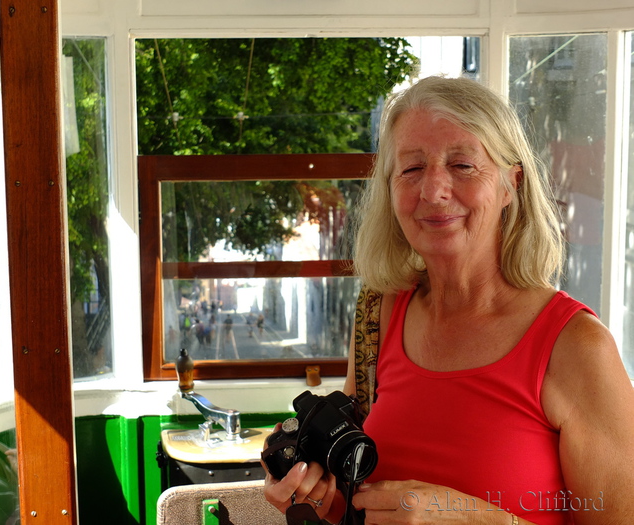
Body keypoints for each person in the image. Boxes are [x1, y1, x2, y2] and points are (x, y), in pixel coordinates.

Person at [262, 76, 634, 525]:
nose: (433, 190)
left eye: (462, 165)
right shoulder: (377, 316)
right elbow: (355, 503)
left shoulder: (576, 347)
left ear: (509, 185)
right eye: (412, 169)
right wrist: (312, 491)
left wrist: (472, 519)